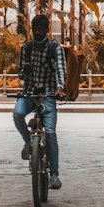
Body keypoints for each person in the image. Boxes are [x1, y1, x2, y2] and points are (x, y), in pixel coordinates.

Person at [13, 13, 66, 189]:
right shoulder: (26, 48)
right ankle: (28, 142)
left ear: (46, 29)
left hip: (49, 95)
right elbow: (20, 73)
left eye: (41, 28)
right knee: (18, 113)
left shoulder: (54, 48)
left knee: (50, 133)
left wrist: (59, 88)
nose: (38, 31)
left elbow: (60, 70)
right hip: (29, 94)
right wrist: (24, 71)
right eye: (35, 28)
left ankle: (54, 175)